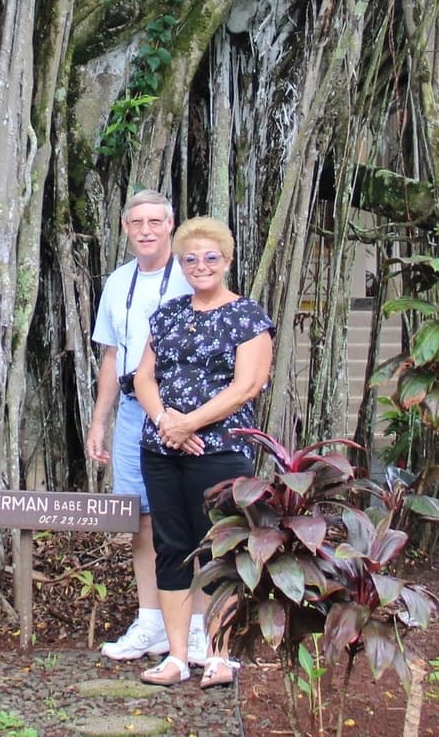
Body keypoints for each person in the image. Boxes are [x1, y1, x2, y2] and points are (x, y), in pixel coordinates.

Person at [131, 216, 273, 689]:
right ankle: (176, 656)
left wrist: (191, 423)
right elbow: (144, 377)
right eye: (190, 259)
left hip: (220, 450)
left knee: (220, 549)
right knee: (170, 549)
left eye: (211, 257)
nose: (201, 266)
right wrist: (167, 423)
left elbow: (246, 385)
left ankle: (220, 654)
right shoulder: (168, 313)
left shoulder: (246, 316)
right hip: (162, 449)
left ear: (227, 261)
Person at [86, 189, 207, 664]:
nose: (146, 230)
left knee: (191, 519)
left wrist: (190, 417)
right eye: (137, 222)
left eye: (155, 221)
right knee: (141, 520)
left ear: (171, 224)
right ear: (124, 227)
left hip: (187, 413)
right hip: (135, 412)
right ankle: (151, 619)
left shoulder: (192, 274)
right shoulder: (118, 282)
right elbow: (112, 354)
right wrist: (100, 420)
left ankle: (195, 626)